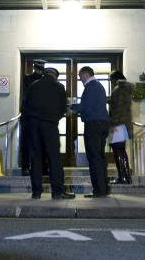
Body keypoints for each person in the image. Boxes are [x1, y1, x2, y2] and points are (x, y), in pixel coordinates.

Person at [22, 67, 74, 199]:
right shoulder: (59, 87)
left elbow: (25, 105)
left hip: (33, 126)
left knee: (36, 158)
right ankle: (57, 191)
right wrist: (55, 117)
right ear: (55, 76)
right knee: (54, 158)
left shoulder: (33, 85)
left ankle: (36, 192)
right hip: (49, 125)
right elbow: (63, 108)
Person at [71, 66, 109, 198]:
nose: (80, 80)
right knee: (100, 157)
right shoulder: (99, 86)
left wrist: (71, 106)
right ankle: (103, 188)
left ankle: (99, 190)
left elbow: (84, 106)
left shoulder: (90, 87)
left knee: (94, 158)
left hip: (93, 124)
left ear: (86, 75)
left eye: (80, 77)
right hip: (103, 123)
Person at [108, 70, 135, 185]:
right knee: (121, 151)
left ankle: (123, 177)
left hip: (117, 125)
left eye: (111, 79)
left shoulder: (117, 89)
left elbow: (117, 109)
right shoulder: (126, 89)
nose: (110, 82)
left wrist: (112, 124)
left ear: (115, 79)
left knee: (117, 151)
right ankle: (126, 177)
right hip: (124, 124)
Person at [19, 60, 45, 176]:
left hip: (28, 116)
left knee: (27, 144)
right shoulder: (42, 80)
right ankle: (41, 168)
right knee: (40, 144)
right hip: (38, 117)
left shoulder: (28, 79)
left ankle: (25, 167)